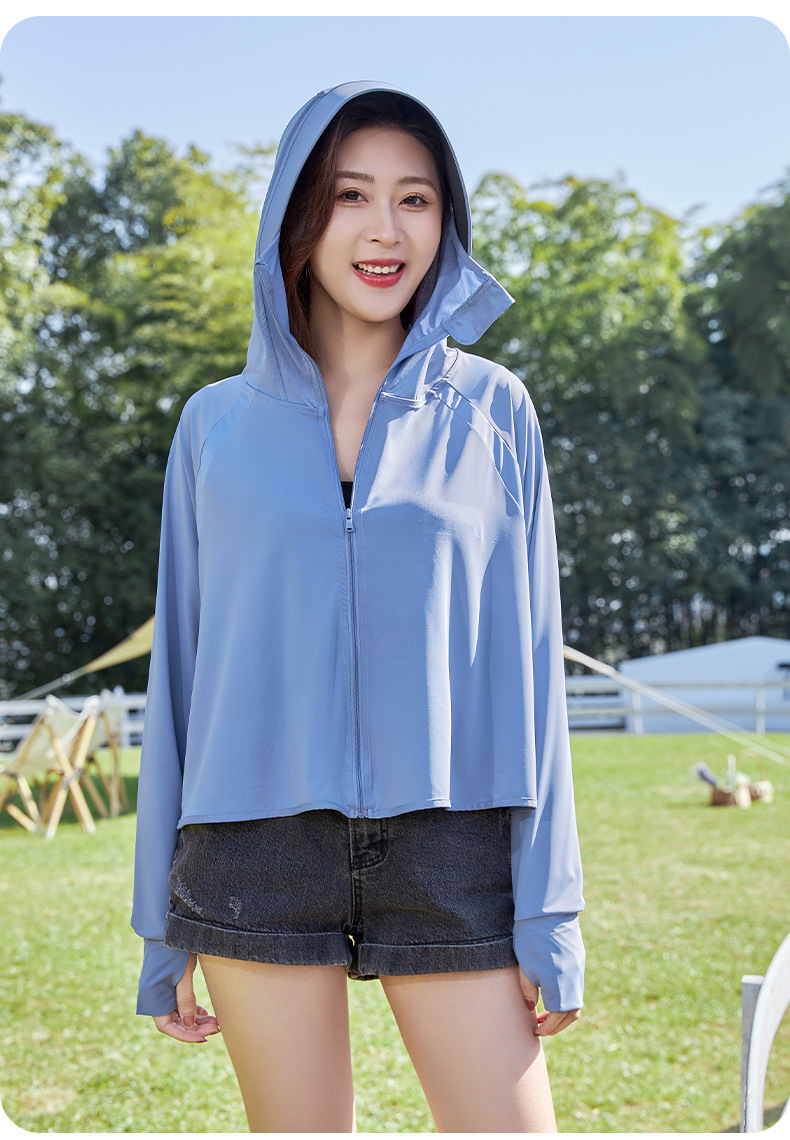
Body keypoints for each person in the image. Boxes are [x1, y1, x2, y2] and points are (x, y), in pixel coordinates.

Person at [132, 79, 585, 1134]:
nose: (386, 230)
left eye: (415, 199)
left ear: (445, 221)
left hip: (452, 845)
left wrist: (550, 913)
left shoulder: (495, 411)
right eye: (350, 195)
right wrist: (160, 927)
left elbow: (534, 665)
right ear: (298, 215)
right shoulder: (212, 428)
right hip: (252, 851)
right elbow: (182, 676)